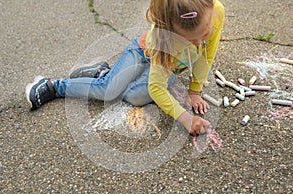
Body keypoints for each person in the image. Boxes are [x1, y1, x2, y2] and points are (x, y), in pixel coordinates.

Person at [26, 0, 225, 136]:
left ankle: (103, 73)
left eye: (205, 33)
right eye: (190, 40)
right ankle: (55, 86)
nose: (199, 43)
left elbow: (207, 54)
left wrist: (195, 91)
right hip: (142, 53)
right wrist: (185, 119)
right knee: (108, 91)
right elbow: (157, 87)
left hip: (168, 68)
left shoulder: (215, 12)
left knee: (134, 97)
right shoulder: (162, 38)